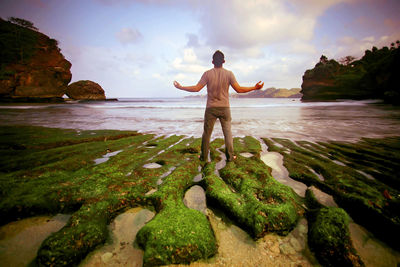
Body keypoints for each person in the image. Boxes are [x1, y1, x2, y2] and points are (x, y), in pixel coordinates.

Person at [174, 50, 264, 162]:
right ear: (224, 61)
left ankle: (203, 157)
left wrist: (181, 87)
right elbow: (239, 89)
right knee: (228, 133)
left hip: (211, 108)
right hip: (225, 108)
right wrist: (254, 88)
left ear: (212, 62)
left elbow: (197, 88)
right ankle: (230, 157)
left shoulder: (207, 74)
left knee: (206, 134)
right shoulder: (229, 74)